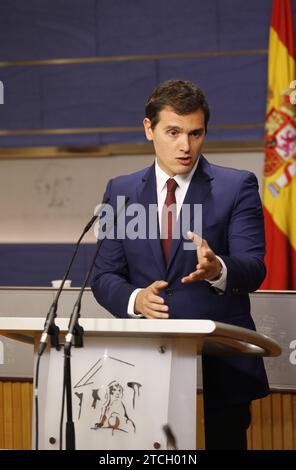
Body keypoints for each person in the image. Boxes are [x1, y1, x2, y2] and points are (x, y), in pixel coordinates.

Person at [91, 79, 269, 450]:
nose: (185, 146)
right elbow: (103, 274)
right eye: (173, 132)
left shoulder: (237, 186)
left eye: (195, 133)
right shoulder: (119, 191)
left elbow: (254, 267)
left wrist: (218, 268)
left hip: (221, 362)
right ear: (148, 129)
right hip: (144, 359)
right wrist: (136, 299)